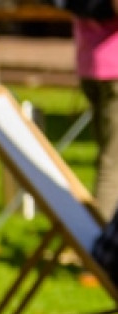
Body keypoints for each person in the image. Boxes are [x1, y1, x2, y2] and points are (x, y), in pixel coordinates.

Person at [72, 4, 118, 219]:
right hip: (113, 67)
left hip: (89, 64)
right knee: (113, 162)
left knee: (106, 157)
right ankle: (102, 238)